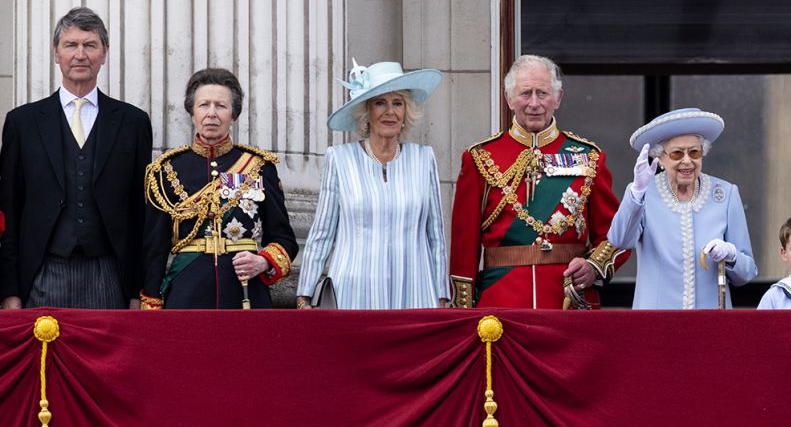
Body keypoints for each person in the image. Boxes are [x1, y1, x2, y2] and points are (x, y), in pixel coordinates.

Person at [0, 7, 153, 309]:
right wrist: (9, 291)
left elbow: (141, 214)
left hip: (110, 275)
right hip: (42, 273)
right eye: (71, 45)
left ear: (104, 54)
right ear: (57, 54)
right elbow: (9, 211)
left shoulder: (133, 123)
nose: (80, 54)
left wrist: (139, 291)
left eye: (90, 45)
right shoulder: (23, 122)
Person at [448, 55, 625, 308]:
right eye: (525, 93)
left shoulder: (589, 157)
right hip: (501, 301)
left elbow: (616, 234)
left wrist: (593, 267)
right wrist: (463, 310)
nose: (534, 103)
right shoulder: (480, 157)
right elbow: (464, 245)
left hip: (568, 301)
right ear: (509, 98)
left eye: (542, 93)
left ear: (558, 98)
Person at [295, 61, 449, 309]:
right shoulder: (340, 159)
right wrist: (305, 294)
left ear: (406, 111)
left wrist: (442, 294)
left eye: (397, 103)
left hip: (415, 292)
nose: (390, 111)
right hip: (353, 294)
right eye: (380, 103)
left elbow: (436, 235)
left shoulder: (424, 159)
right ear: (366, 111)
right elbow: (322, 233)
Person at [140, 68, 297, 309]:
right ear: (192, 112)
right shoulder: (166, 170)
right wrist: (151, 303)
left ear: (233, 114)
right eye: (204, 105)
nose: (211, 113)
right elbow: (154, 249)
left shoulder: (259, 167)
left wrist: (263, 261)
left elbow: (284, 238)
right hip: (187, 294)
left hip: (245, 294)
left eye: (221, 106)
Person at [607, 108, 758, 309]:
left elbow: (746, 273)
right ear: (660, 158)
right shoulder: (643, 192)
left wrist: (732, 256)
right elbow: (620, 240)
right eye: (677, 153)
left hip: (710, 323)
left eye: (694, 152)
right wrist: (637, 192)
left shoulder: (726, 194)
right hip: (656, 322)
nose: (687, 161)